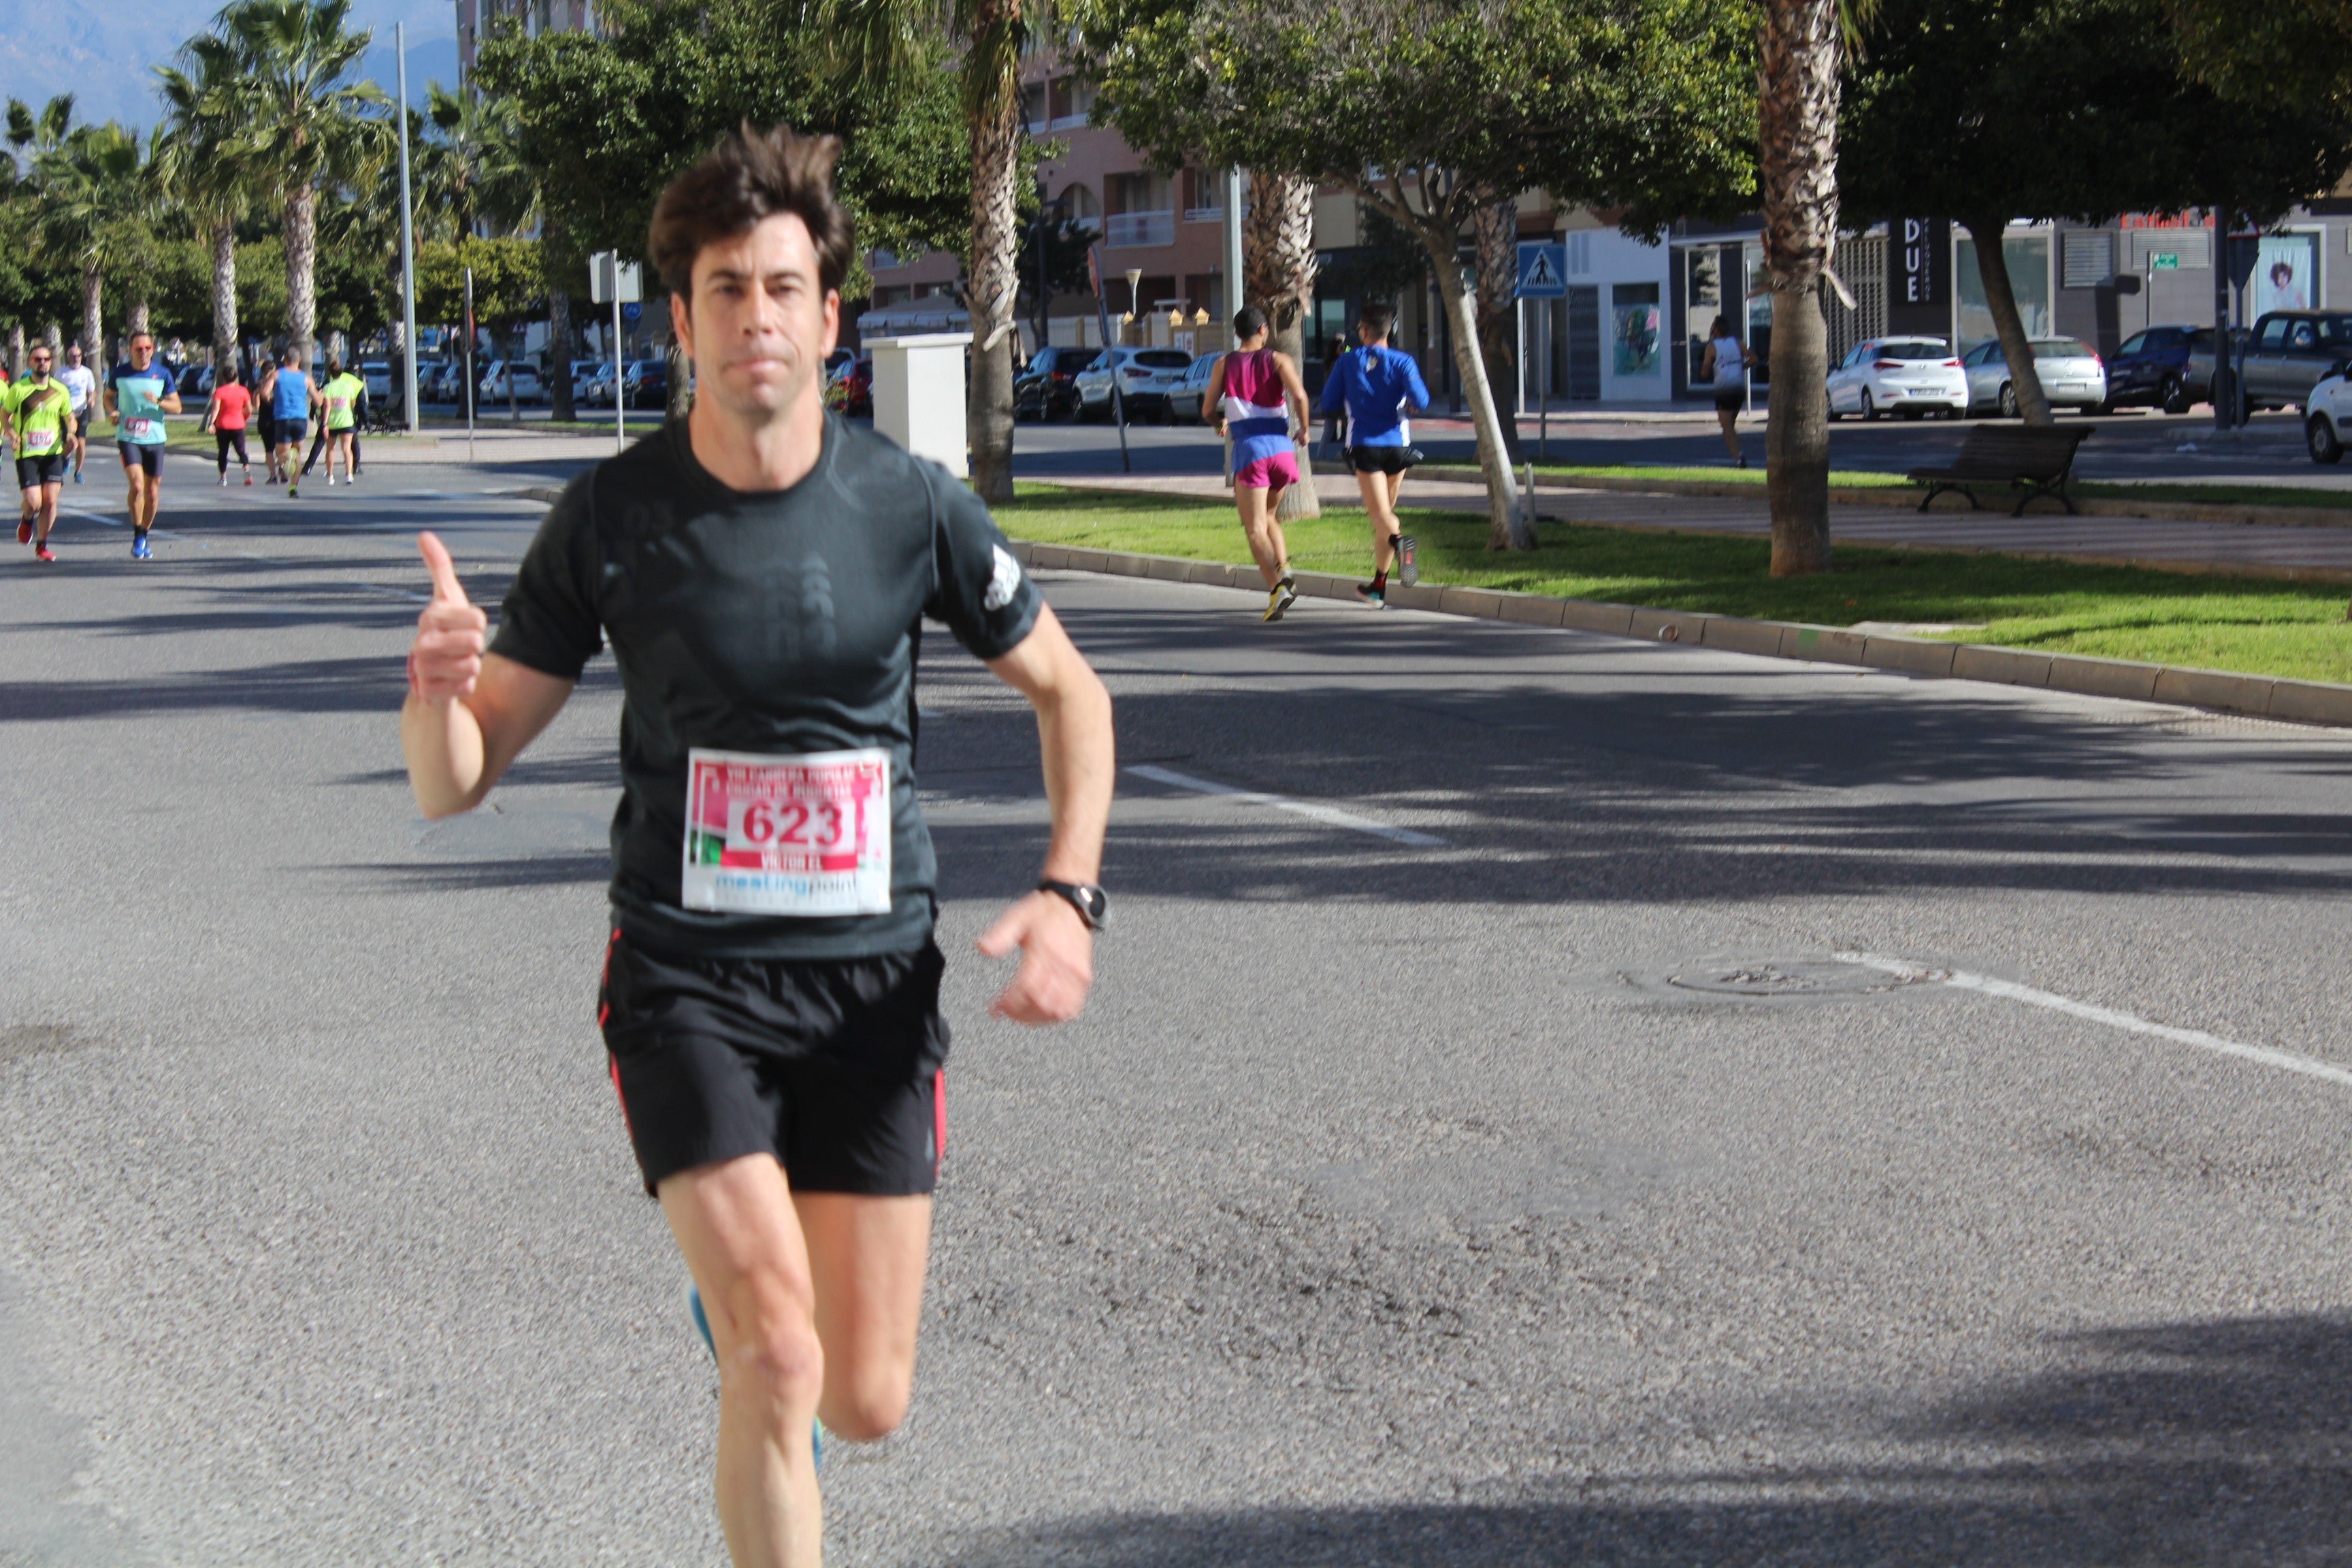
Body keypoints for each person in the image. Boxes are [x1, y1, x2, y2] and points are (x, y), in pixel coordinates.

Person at [398, 124, 1113, 1568]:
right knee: (779, 1364)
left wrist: (1067, 894)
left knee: (865, 1399)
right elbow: (457, 784)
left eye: (783, 287)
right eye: (725, 289)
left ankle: (742, 1306)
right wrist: (434, 695)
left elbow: (1071, 693)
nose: (756, 317)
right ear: (681, 318)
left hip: (872, 989)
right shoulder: (613, 516)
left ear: (830, 314)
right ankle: (747, 1315)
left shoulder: (909, 507)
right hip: (687, 986)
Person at [1316, 304, 1428, 609]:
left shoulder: (1348, 361)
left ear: (1364, 332)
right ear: (1389, 330)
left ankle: (1403, 544)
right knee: (1386, 517)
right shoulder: (1404, 362)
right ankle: (1378, 586)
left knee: (1381, 518)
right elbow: (1422, 399)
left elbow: (1327, 402)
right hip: (1398, 446)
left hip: (1365, 444)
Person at [1204, 305, 1309, 622]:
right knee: (1269, 516)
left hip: (1251, 452)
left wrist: (1219, 423)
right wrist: (1304, 430)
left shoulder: (1225, 364)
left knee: (1254, 529)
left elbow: (1208, 408)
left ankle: (1277, 588)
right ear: (1264, 330)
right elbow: (1301, 397)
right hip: (1281, 450)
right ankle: (1285, 566)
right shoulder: (1279, 360)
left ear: (1237, 333)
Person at [104, 331, 182, 559]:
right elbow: (108, 397)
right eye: (139, 349)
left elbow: (177, 407)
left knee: (153, 492)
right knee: (137, 486)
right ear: (130, 351)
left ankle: (144, 534)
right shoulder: (120, 373)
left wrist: (158, 402)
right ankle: (137, 532)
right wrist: (113, 411)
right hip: (129, 437)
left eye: (148, 348)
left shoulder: (162, 373)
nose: (144, 352)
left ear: (153, 349)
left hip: (156, 438)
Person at [5, 343, 77, 562]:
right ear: (30, 363)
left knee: (51, 501)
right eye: (38, 359)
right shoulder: (19, 389)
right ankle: (27, 519)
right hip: (27, 453)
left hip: (53, 452)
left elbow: (69, 418)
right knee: (34, 502)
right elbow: (5, 413)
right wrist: (10, 432)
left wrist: (71, 435)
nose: (43, 363)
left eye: (46, 359)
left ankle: (42, 545)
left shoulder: (60, 390)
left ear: (51, 362)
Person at [260, 347, 318, 498]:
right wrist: (322, 397)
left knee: (282, 454)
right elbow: (317, 401)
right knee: (296, 455)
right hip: (301, 419)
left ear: (285, 360)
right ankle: (293, 487)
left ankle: (286, 462)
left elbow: (264, 393)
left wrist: (272, 402)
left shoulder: (277, 374)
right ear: (299, 360)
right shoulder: (307, 378)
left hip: (283, 418)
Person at [1698, 315, 1746, 467]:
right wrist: (1741, 367)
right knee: (1730, 426)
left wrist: (1709, 369)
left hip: (1723, 391)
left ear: (1716, 329)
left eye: (1713, 326)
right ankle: (1739, 453)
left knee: (1726, 428)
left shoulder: (1712, 347)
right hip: (1739, 389)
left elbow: (1705, 372)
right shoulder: (1737, 343)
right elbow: (1755, 358)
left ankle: (1739, 460)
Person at [309, 357, 363, 486]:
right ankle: (349, 475)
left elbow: (327, 406)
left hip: (333, 422)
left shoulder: (328, 387)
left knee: (330, 449)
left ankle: (330, 475)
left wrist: (325, 424)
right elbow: (353, 403)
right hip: (347, 421)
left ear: (330, 373)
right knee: (347, 449)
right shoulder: (349, 387)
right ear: (342, 372)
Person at [204, 364, 255, 485]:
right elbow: (249, 409)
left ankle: (223, 478)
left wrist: (212, 424)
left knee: (223, 452)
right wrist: (244, 417)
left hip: (223, 426)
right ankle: (246, 469)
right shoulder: (243, 391)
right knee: (241, 450)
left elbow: (216, 409)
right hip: (238, 425)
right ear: (236, 377)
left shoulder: (220, 392)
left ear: (224, 378)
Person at [56, 342, 97, 485]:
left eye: (78, 355)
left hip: (82, 410)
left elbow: (92, 391)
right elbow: (55, 391)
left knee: (80, 443)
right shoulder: (61, 373)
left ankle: (78, 472)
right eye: (73, 356)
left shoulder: (87, 373)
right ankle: (65, 458)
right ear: (68, 357)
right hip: (67, 413)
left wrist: (91, 399)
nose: (76, 358)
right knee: (69, 442)